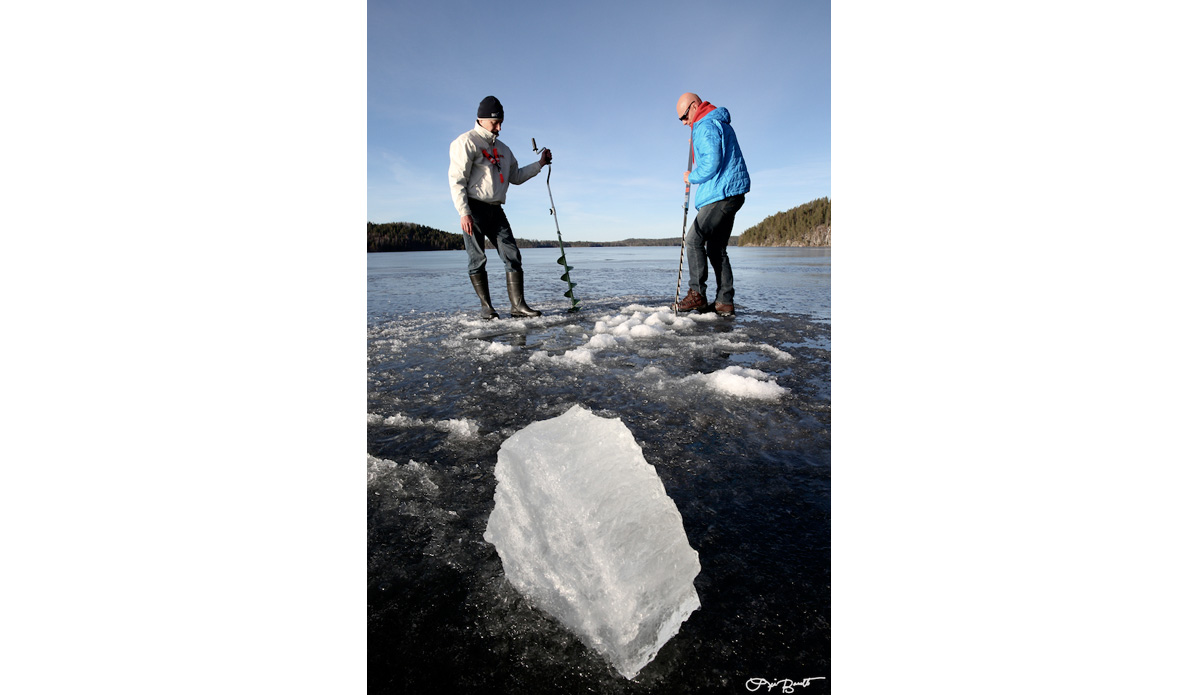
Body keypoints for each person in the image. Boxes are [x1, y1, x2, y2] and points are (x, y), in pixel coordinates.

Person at [448, 95, 552, 319]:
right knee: (477, 258)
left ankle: (518, 306)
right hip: (473, 210)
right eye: (495, 123)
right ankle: (487, 308)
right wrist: (463, 212)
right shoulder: (466, 142)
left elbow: (515, 176)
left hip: (496, 210)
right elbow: (457, 180)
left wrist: (540, 164)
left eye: (501, 122)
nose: (499, 127)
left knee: (512, 254)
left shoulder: (504, 149)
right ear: (481, 119)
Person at [673, 92, 751, 317]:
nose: (684, 123)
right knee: (716, 249)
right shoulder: (713, 122)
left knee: (693, 239)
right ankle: (724, 302)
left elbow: (712, 163)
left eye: (684, 117)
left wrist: (691, 177)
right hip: (732, 193)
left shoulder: (705, 125)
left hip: (721, 194)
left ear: (694, 106)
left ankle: (697, 294)